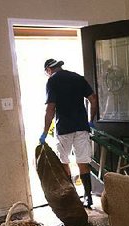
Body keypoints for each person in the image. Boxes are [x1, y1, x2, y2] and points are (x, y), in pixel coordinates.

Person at [40, 58, 99, 208]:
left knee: (64, 162)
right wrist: (90, 120)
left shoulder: (52, 81)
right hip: (81, 126)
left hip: (64, 127)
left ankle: (73, 197)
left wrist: (45, 132)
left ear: (48, 70)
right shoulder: (77, 77)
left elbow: (50, 109)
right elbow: (93, 99)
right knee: (82, 161)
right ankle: (88, 197)